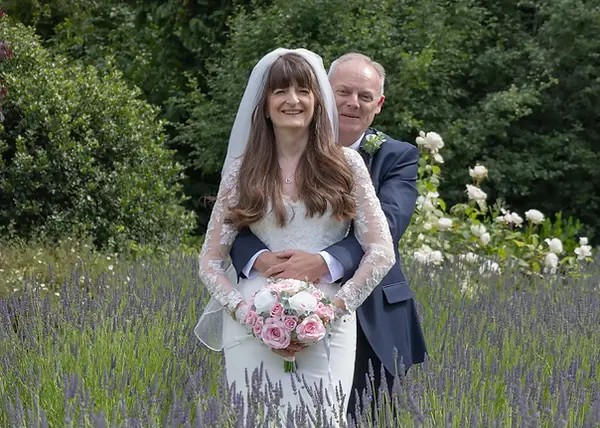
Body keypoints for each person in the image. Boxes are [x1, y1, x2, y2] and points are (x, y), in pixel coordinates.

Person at [194, 48, 395, 426]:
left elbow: (381, 252)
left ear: (317, 101)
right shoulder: (242, 170)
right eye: (280, 91)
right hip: (253, 321)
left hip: (327, 325)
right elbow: (209, 259)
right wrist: (242, 311)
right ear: (265, 103)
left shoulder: (346, 165)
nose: (293, 100)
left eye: (303, 90)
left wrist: (333, 311)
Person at [229, 53, 428, 420]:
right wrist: (263, 261)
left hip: (371, 318)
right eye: (343, 92)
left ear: (379, 105)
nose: (353, 103)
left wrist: (324, 262)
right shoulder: (263, 157)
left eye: (365, 96)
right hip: (270, 306)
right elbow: (239, 225)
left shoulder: (396, 156)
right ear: (325, 93)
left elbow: (389, 225)